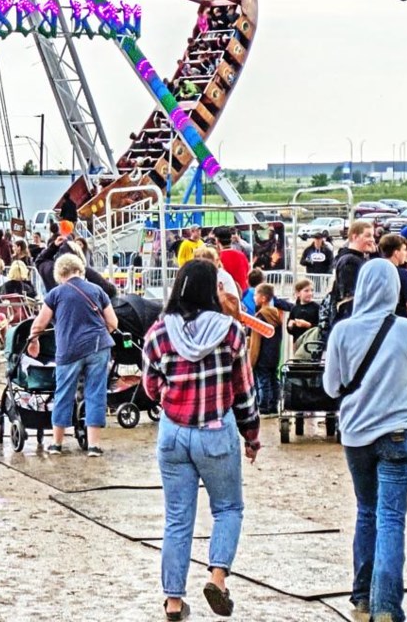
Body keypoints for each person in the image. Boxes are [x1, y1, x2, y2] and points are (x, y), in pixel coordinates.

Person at [141, 260, 260, 621]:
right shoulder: (231, 333)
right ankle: (218, 577)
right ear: (213, 290)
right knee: (227, 509)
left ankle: (173, 601)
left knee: (177, 519)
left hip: (173, 433)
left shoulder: (158, 333)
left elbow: (149, 386)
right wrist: (251, 436)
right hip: (215, 432)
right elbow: (244, 391)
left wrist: (171, 396)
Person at [323, 259, 407, 622]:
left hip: (356, 437)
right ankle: (387, 607)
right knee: (391, 518)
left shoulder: (341, 331)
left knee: (366, 512)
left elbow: (331, 387)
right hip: (400, 434)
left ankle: (362, 599)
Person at [27, 253, 117, 457]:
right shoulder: (97, 290)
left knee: (64, 393)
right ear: (80, 269)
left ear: (60, 273)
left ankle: (57, 444)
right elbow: (113, 323)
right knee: (96, 393)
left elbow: (40, 323)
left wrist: (34, 341)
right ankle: (93, 446)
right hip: (98, 348)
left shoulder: (55, 294)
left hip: (69, 350)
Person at [331, 221, 376, 324]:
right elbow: (348, 298)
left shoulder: (359, 258)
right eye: (368, 236)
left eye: (372, 236)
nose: (372, 240)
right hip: (352, 320)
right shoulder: (350, 261)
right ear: (355, 237)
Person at [249, 284, 283, 416]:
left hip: (262, 356)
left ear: (263, 298)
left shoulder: (260, 317)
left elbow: (256, 342)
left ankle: (263, 407)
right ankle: (274, 405)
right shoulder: (276, 315)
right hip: (274, 355)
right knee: (274, 380)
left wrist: (252, 360)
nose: (254, 297)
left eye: (256, 294)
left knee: (263, 382)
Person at [379, 234, 407, 321]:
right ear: (396, 253)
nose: (405, 253)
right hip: (399, 322)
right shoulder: (403, 274)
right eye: (404, 250)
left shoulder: (374, 272)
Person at [193, 246, 240, 320]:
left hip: (221, 320)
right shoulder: (194, 276)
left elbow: (234, 304)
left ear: (217, 261)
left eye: (207, 262)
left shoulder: (224, 277)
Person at [215, 227, 250, 294]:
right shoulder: (241, 255)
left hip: (226, 294)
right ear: (231, 239)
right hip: (243, 293)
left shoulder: (217, 258)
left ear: (217, 240)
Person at [287, 279, 320, 345]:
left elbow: (321, 327)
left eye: (312, 290)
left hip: (312, 343)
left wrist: (308, 325)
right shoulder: (295, 308)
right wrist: (290, 326)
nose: (310, 293)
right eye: (306, 291)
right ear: (298, 293)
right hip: (298, 343)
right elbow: (290, 330)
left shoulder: (317, 307)